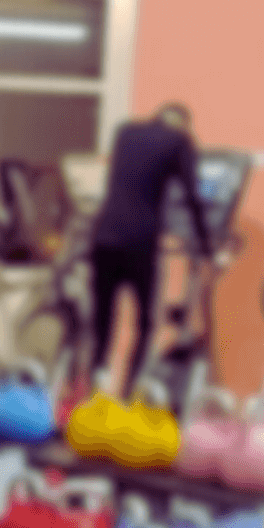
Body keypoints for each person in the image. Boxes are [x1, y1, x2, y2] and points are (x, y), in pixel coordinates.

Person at [88, 102, 220, 400]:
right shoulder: (179, 140)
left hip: (104, 235)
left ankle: (95, 390)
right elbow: (192, 196)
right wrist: (208, 246)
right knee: (144, 322)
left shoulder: (125, 131)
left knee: (102, 322)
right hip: (140, 240)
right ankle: (125, 394)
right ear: (184, 123)